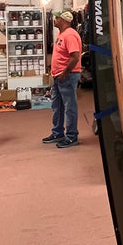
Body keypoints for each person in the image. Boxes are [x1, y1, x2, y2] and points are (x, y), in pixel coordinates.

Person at [42, 10, 82, 148]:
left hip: (67, 76)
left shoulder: (70, 35)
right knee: (57, 106)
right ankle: (58, 132)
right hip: (58, 76)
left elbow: (75, 57)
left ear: (64, 20)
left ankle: (71, 136)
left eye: (56, 18)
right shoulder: (61, 34)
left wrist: (65, 73)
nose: (54, 20)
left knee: (69, 107)